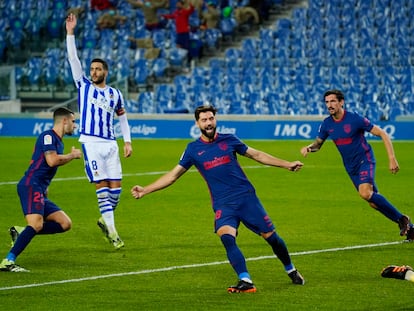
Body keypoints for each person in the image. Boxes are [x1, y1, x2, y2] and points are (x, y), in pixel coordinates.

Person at [131, 105, 305, 292]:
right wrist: (145, 190)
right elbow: (173, 176)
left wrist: (287, 164)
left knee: (271, 238)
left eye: (211, 118)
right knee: (227, 237)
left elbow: (256, 155)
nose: (208, 123)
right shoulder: (192, 150)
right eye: (204, 120)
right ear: (197, 123)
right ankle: (245, 280)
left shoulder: (229, 140)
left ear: (215, 119)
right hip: (223, 204)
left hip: (246, 198)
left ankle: (291, 269)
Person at [300, 89, 414, 240]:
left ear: (341, 102)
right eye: (327, 102)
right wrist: (309, 148)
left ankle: (402, 219)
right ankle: (410, 230)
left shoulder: (355, 119)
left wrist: (392, 158)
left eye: (333, 101)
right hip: (350, 166)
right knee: (373, 202)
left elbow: (382, 133)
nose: (329, 105)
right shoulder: (327, 124)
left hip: (364, 160)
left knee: (365, 193)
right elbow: (318, 144)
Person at [66, 13, 133, 249]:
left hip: (110, 143)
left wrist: (127, 141)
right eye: (92, 69)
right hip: (91, 143)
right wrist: (70, 33)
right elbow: (73, 59)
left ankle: (105, 219)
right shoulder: (83, 86)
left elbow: (123, 118)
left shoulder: (115, 93)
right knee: (102, 188)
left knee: (116, 191)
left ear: (105, 72)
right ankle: (113, 233)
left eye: (97, 69)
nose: (93, 72)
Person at [0, 107, 81, 272]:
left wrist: (46, 187)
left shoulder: (58, 141)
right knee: (36, 224)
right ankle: (8, 261)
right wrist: (72, 156)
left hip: (39, 187)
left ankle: (22, 232)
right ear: (64, 120)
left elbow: (47, 166)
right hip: (31, 185)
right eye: (73, 121)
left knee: (65, 223)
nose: (75, 125)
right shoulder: (48, 137)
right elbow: (51, 161)